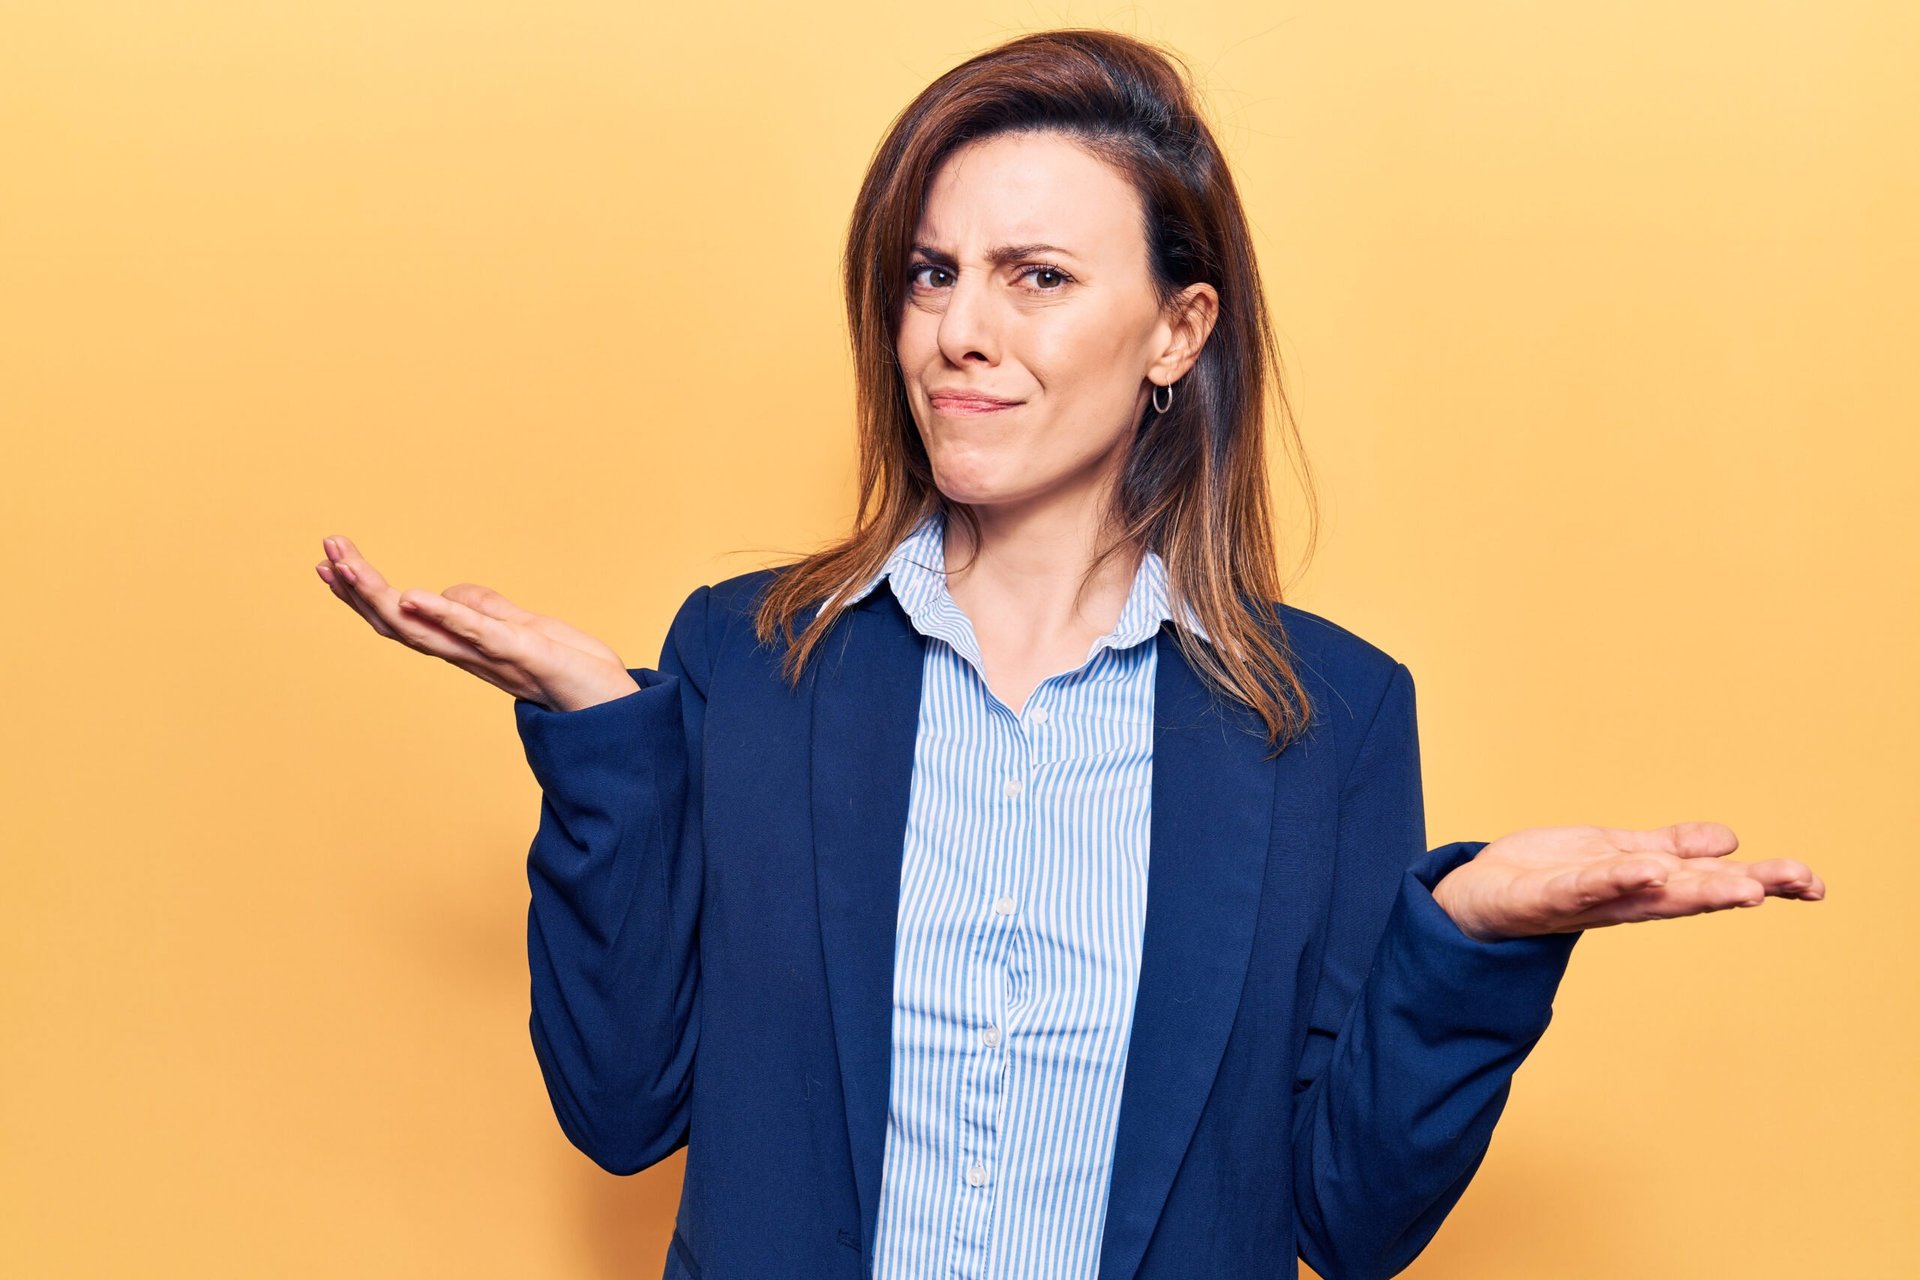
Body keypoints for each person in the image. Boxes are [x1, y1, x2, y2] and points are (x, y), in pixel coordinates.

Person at [314, 28, 1826, 1280]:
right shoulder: (749, 657)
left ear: (1178, 330)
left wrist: (1471, 941)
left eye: (1037, 276)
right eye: (931, 273)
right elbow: (621, 1108)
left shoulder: (1332, 716)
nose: (958, 331)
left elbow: (1348, 1222)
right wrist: (604, 743)